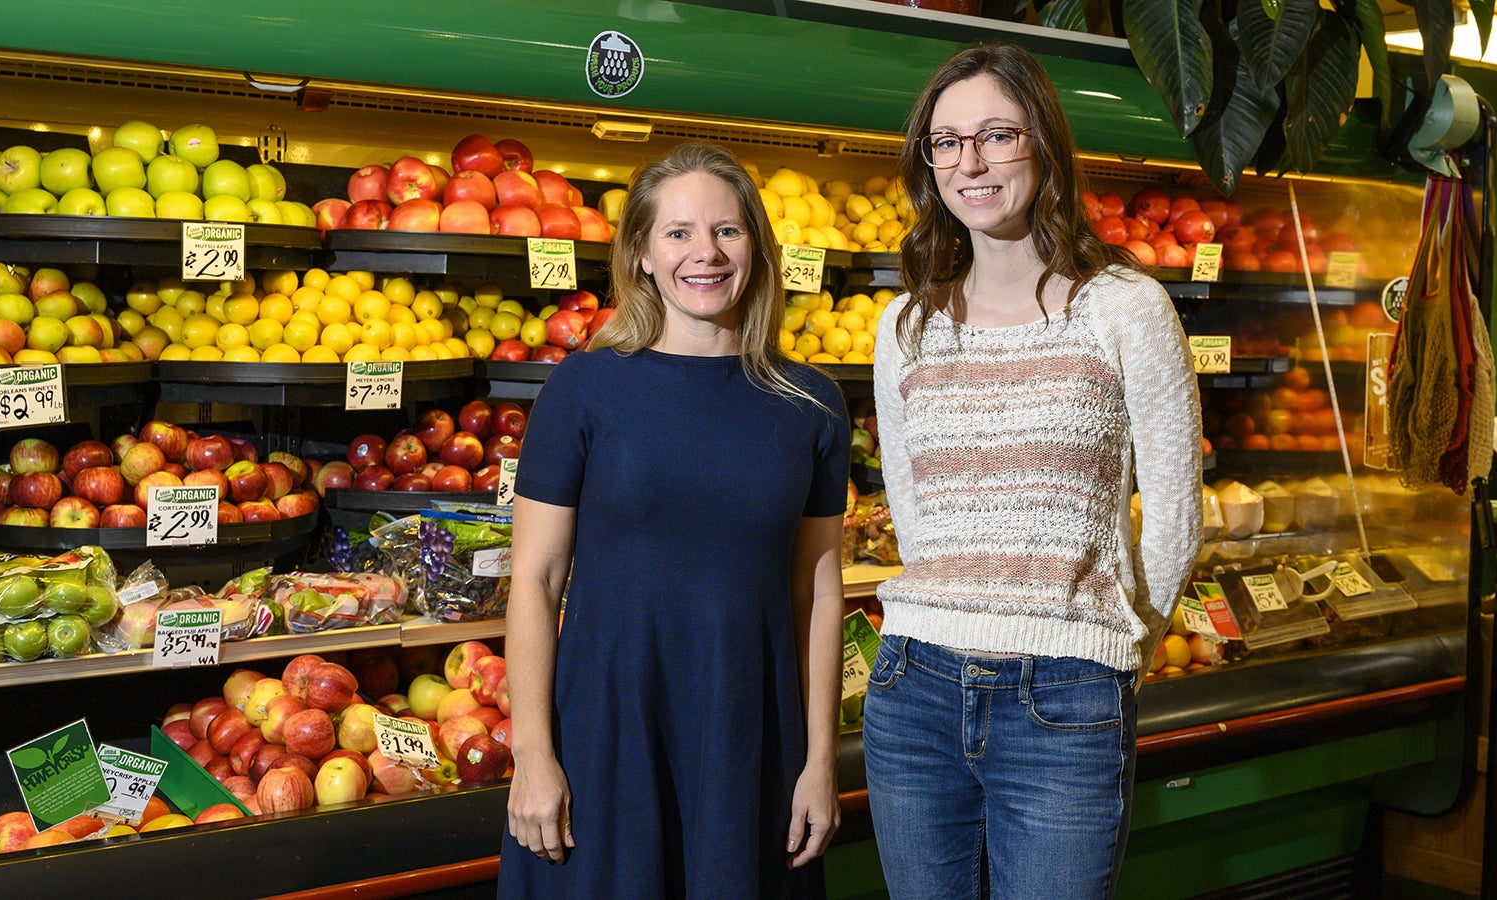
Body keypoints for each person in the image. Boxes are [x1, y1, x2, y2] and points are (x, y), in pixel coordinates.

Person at [863, 42, 1202, 899]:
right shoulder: (905, 323)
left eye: (996, 135)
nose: (969, 162)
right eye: (946, 142)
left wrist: (1118, 650)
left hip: (1064, 699)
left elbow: (1172, 510)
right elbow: (913, 514)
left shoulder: (1124, 304)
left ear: (1044, 144)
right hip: (912, 691)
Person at [499, 140, 849, 899]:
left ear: (756, 244)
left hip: (750, 736)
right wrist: (532, 753)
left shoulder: (812, 404)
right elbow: (534, 578)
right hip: (607, 731)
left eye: (727, 230)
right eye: (679, 233)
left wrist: (820, 761)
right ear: (643, 254)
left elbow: (818, 594)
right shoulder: (585, 388)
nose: (706, 254)